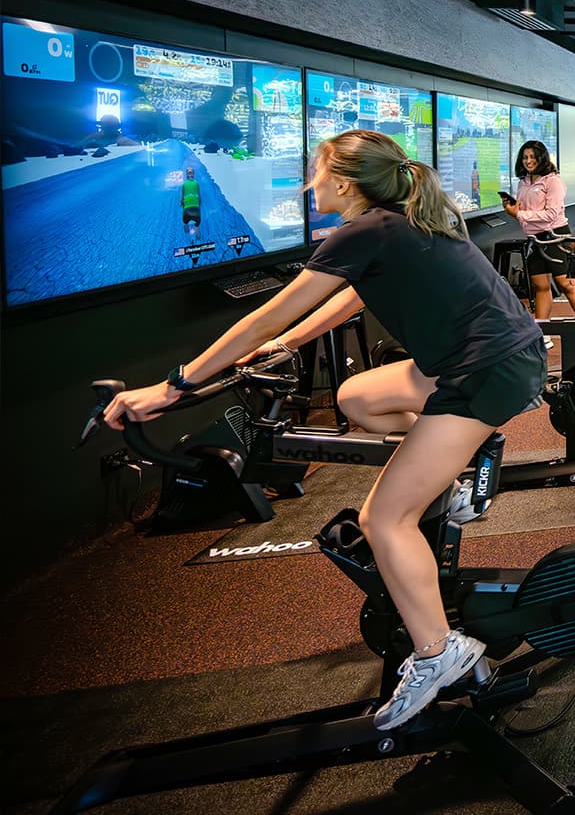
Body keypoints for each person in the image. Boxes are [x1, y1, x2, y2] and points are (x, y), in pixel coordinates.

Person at [102, 129, 546, 728]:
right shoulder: (398, 219)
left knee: (383, 519)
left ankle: (439, 652)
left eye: (315, 172)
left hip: (484, 372)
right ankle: (459, 465)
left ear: (342, 181)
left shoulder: (369, 227)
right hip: (489, 355)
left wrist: (171, 387)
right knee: (356, 395)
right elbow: (348, 298)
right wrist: (288, 344)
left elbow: (266, 315)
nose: (310, 183)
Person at [503, 140, 575, 322]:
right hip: (535, 239)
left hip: (555, 236)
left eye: (533, 157)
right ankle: (542, 332)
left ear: (542, 158)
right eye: (525, 157)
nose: (528, 161)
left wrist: (520, 213)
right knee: (540, 285)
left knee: (566, 284)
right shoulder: (523, 182)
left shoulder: (553, 181)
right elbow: (525, 214)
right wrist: (514, 212)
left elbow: (551, 214)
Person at [180, 165, 201, 241]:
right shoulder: (197, 183)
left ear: (186, 175)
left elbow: (181, 200)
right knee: (197, 228)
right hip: (196, 210)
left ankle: (187, 238)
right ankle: (199, 241)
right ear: (193, 175)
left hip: (187, 210)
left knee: (185, 224)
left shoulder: (184, 184)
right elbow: (199, 199)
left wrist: (184, 206)